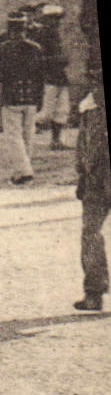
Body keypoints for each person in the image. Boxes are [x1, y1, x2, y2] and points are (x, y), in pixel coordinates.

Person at [0, 11, 46, 185]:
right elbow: (41, 76)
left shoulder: (4, 49)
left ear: (9, 29)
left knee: (13, 136)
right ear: (25, 29)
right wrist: (40, 98)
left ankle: (23, 171)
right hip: (31, 96)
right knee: (28, 134)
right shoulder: (36, 48)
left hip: (11, 97)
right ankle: (21, 170)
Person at [75, 75, 109, 311]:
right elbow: (82, 146)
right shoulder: (89, 111)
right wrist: (82, 177)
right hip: (95, 181)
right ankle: (94, 293)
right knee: (90, 234)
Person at [32, 4, 72, 150]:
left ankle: (56, 141)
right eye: (53, 19)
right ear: (46, 19)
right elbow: (36, 58)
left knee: (62, 110)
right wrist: (56, 60)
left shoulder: (55, 35)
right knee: (46, 113)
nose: (57, 22)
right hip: (48, 77)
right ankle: (24, 130)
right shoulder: (40, 36)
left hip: (59, 76)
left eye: (58, 19)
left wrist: (62, 60)